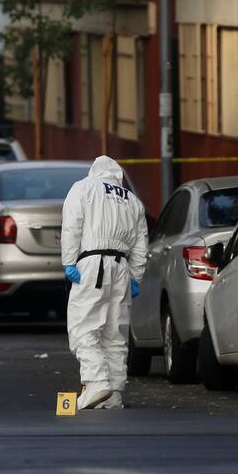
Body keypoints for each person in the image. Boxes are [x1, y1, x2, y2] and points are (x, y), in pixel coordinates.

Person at [61, 155, 148, 410]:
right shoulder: (132, 200)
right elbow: (141, 244)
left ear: (94, 172)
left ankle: (96, 381)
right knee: (115, 333)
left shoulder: (83, 188)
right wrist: (135, 277)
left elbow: (72, 227)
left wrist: (69, 261)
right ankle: (114, 393)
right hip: (121, 267)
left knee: (83, 327)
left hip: (91, 264)